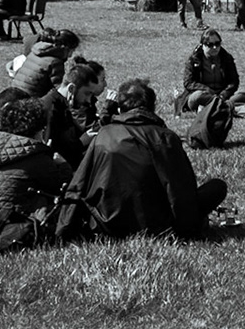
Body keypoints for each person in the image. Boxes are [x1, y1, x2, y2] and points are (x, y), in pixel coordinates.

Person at [69, 79, 222, 239]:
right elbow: (182, 189)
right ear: (153, 107)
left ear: (120, 108)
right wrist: (189, 225)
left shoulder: (104, 135)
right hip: (160, 224)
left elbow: (81, 183)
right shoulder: (166, 138)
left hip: (108, 222)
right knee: (217, 187)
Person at [0, 97, 73, 252]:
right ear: (38, 129)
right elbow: (63, 184)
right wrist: (61, 163)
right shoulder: (35, 157)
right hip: (7, 230)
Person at [44, 57, 106, 166]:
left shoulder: (63, 105)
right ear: (71, 89)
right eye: (87, 93)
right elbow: (52, 152)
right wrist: (81, 143)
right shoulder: (51, 110)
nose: (88, 100)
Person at [176, 27, 240, 114]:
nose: (214, 47)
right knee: (197, 97)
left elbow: (234, 81)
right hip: (202, 94)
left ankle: (215, 105)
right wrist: (206, 89)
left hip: (222, 95)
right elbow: (188, 82)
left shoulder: (226, 58)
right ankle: (222, 106)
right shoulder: (194, 59)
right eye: (210, 45)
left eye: (217, 44)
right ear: (203, 45)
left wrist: (224, 94)